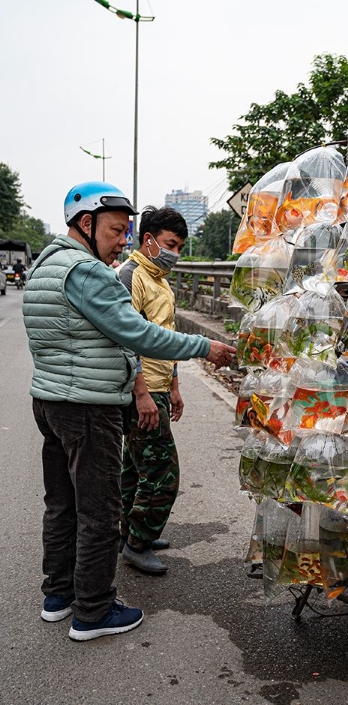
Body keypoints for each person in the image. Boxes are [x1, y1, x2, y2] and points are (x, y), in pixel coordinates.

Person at [22, 181, 236, 642]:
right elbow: (138, 335)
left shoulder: (45, 264)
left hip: (52, 400)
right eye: (118, 231)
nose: (123, 241)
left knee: (62, 504)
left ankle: (59, 597)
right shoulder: (87, 272)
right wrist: (204, 345)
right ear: (87, 223)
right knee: (99, 511)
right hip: (87, 406)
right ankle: (94, 612)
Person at [117, 206, 188, 574]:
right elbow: (126, 340)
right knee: (163, 474)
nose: (175, 253)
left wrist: (174, 386)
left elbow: (168, 335)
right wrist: (142, 394)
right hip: (141, 391)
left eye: (179, 247)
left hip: (161, 387)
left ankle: (129, 531)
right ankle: (137, 542)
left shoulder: (159, 279)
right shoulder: (130, 277)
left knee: (135, 467)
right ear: (148, 240)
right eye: (170, 244)